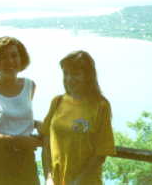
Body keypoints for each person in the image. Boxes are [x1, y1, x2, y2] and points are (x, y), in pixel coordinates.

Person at [0, 36, 42, 185]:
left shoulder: (30, 86)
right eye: (3, 57)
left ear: (21, 58)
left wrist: (36, 124)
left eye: (14, 55)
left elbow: (13, 117)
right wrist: (19, 141)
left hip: (25, 162)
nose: (10, 61)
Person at [41, 50, 115, 185]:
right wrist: (48, 177)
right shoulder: (57, 102)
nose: (69, 78)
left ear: (88, 76)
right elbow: (46, 143)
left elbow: (101, 153)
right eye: (66, 73)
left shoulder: (100, 106)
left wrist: (78, 181)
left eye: (75, 74)